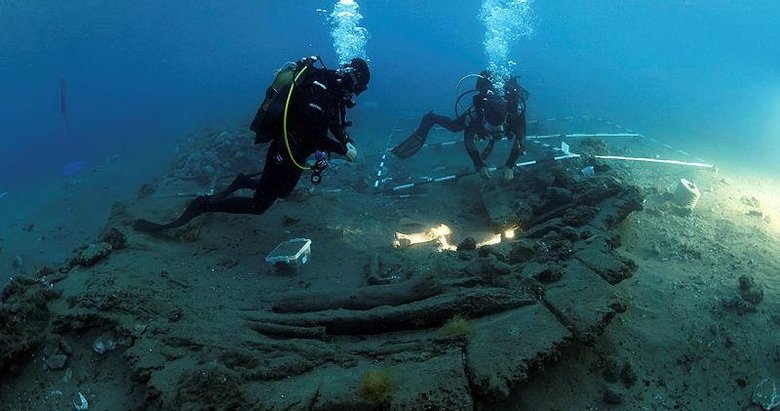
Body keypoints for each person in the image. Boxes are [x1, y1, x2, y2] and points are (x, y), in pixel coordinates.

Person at [134, 56, 370, 233]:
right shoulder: (317, 88)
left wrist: (346, 140)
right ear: (352, 80)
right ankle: (201, 205)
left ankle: (244, 181)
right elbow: (313, 135)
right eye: (356, 89)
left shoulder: (333, 94)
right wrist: (341, 150)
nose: (353, 96)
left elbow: (334, 124)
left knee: (285, 191)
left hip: (300, 152)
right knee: (258, 205)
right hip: (285, 148)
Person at [391, 70, 528, 182]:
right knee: (454, 126)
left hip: (506, 116)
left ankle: (495, 137)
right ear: (484, 116)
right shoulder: (477, 113)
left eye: (498, 129)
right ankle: (431, 118)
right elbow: (468, 140)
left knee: (515, 132)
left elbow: (521, 139)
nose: (495, 132)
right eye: (490, 127)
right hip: (483, 114)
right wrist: (479, 164)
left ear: (506, 119)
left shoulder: (515, 112)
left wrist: (510, 165)